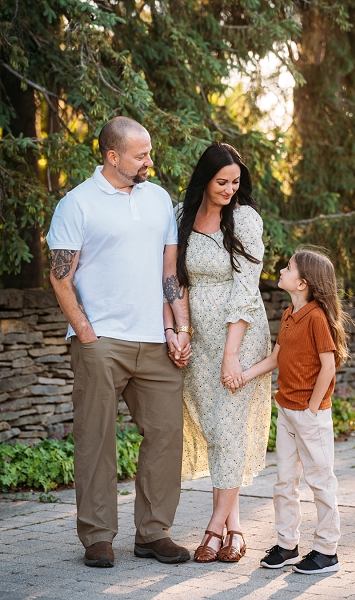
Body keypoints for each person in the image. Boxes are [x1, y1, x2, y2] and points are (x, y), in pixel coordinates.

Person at [47, 116, 192, 568]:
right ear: (113, 156)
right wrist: (86, 332)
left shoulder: (159, 199)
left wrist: (179, 327)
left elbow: (170, 272)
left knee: (167, 433)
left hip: (155, 338)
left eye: (149, 152)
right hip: (101, 340)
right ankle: (97, 537)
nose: (151, 160)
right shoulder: (77, 204)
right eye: (141, 154)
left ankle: (152, 533)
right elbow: (59, 278)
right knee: (96, 438)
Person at [173, 142, 271, 563]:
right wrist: (180, 330)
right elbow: (174, 278)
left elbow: (247, 290)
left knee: (230, 427)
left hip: (241, 335)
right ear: (205, 179)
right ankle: (234, 529)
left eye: (236, 182)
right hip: (200, 338)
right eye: (222, 182)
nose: (230, 189)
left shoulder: (244, 218)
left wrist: (232, 355)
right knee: (215, 429)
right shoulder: (182, 215)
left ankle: (213, 529)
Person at [224, 248, 348, 574]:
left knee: (321, 482)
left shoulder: (317, 317)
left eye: (288, 267)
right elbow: (276, 359)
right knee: (284, 482)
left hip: (310, 416)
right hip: (287, 411)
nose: (281, 269)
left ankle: (326, 551)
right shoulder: (292, 313)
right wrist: (242, 375)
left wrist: (310, 408)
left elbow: (328, 368)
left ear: (303, 282)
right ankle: (287, 545)